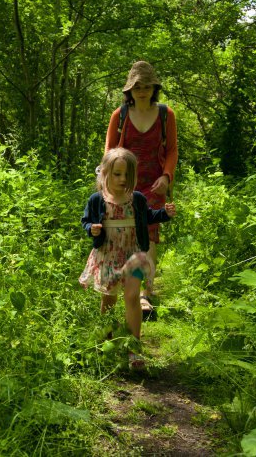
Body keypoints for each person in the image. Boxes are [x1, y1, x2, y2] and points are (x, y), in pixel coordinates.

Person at [79, 148, 176, 369]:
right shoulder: (97, 200)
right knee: (109, 299)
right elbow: (85, 220)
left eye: (127, 175)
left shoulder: (137, 200)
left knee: (132, 297)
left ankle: (134, 348)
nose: (123, 179)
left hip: (134, 254)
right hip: (108, 254)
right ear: (105, 174)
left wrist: (165, 214)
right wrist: (91, 228)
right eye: (117, 174)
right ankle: (108, 343)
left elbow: (149, 216)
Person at [105, 61, 178, 318]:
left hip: (154, 184)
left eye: (147, 86)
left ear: (154, 88)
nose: (142, 91)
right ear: (130, 90)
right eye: (137, 87)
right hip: (125, 183)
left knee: (148, 235)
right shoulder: (120, 115)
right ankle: (123, 284)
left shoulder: (166, 115)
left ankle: (146, 293)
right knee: (124, 233)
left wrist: (167, 177)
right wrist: (109, 182)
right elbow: (110, 151)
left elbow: (171, 150)